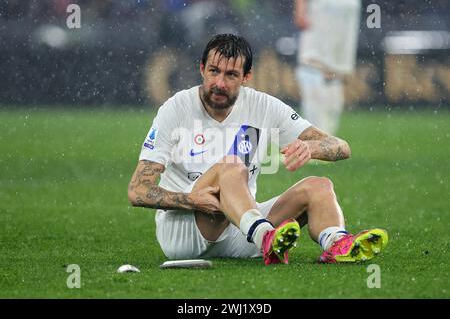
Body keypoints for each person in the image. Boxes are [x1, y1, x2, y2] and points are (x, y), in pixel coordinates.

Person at [128, 34, 387, 265]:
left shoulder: (264, 106)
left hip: (242, 228)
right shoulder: (176, 108)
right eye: (213, 71)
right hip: (185, 232)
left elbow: (341, 147)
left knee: (319, 186)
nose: (219, 83)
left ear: (247, 77)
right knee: (231, 166)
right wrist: (191, 200)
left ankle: (336, 244)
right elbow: (137, 190)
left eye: (231, 75)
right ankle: (266, 237)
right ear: (201, 69)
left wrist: (311, 147)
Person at [294, 0, 361, 136]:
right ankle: (328, 137)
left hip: (326, 7)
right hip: (349, 6)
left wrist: (300, 9)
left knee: (312, 64)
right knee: (333, 72)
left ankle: (316, 140)